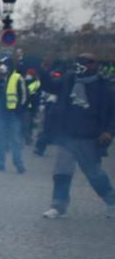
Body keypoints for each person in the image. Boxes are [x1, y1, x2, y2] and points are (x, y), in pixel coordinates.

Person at [39, 53, 115, 218]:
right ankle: (58, 206)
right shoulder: (69, 80)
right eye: (79, 61)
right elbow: (50, 86)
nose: (80, 64)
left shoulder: (104, 87)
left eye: (85, 62)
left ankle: (112, 201)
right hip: (67, 135)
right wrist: (43, 71)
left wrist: (109, 131)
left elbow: (112, 112)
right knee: (61, 172)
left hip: (90, 137)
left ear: (94, 65)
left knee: (94, 174)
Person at [0, 56, 27, 173]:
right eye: (0, 65)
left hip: (13, 114)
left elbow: (23, 96)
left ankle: (18, 164)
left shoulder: (17, 78)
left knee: (15, 140)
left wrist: (19, 110)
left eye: (4, 65)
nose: (1, 68)